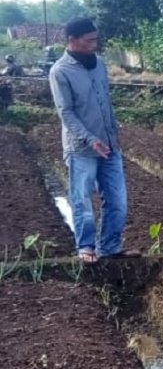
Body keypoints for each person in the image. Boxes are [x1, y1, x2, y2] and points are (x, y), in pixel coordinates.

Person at [49, 18, 138, 263]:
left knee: (118, 200)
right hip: (82, 149)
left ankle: (109, 246)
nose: (93, 45)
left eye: (94, 39)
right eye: (88, 41)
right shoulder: (60, 71)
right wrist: (90, 139)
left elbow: (104, 102)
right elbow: (66, 112)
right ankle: (86, 247)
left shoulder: (99, 64)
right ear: (72, 41)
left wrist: (111, 133)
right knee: (82, 199)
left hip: (109, 146)